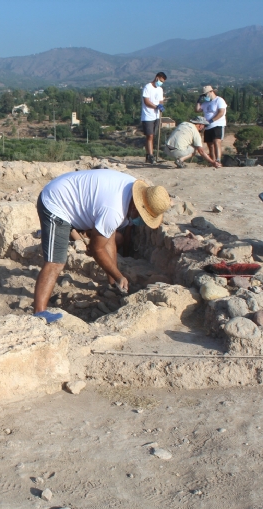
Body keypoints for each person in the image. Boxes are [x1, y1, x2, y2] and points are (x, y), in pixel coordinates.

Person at [33, 169, 170, 323]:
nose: (140, 220)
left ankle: (112, 285)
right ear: (135, 207)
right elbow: (96, 249)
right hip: (55, 202)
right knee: (56, 261)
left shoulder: (131, 190)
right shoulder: (115, 210)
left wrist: (115, 280)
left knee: (108, 236)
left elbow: (108, 238)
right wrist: (119, 275)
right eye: (141, 216)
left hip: (69, 193)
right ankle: (39, 312)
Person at [195, 85, 227, 163]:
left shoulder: (219, 100)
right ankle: (213, 161)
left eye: (205, 94)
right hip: (208, 126)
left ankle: (218, 160)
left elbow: (221, 112)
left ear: (211, 92)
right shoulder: (206, 103)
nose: (205, 96)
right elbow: (197, 110)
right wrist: (198, 101)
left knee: (217, 141)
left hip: (217, 124)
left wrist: (212, 120)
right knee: (210, 145)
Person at [140, 72, 167, 164]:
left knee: (153, 136)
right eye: (161, 81)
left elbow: (160, 101)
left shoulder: (160, 89)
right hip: (147, 115)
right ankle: (150, 155)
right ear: (156, 78)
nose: (161, 83)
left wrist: (161, 106)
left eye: (163, 82)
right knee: (149, 135)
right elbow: (146, 101)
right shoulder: (148, 87)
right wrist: (156, 107)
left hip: (156, 116)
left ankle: (149, 155)